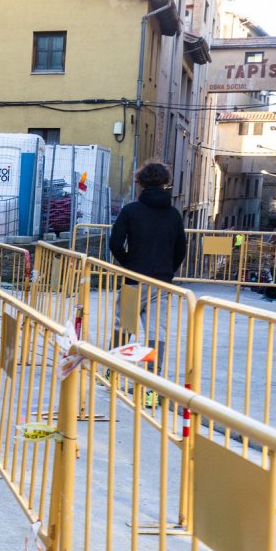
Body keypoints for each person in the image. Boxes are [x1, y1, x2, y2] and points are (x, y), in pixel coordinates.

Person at [108, 160, 187, 404]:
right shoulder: (173, 214)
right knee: (157, 331)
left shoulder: (130, 211)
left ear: (140, 182)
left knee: (124, 326)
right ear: (165, 183)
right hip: (161, 282)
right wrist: (168, 271)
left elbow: (115, 242)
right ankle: (152, 388)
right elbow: (181, 249)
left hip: (134, 278)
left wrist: (129, 262)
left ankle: (113, 372)